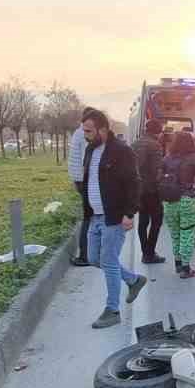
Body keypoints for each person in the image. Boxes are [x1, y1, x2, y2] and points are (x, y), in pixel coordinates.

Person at [79, 109, 148, 328]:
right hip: (94, 216)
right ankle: (133, 279)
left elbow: (134, 183)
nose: (85, 134)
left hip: (115, 217)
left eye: (89, 131)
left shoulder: (122, 151)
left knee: (108, 261)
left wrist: (129, 214)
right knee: (93, 258)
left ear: (103, 129)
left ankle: (112, 310)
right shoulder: (90, 149)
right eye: (84, 130)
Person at [159, 131, 195, 279]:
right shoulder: (194, 158)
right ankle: (186, 268)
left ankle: (178, 264)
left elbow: (158, 176)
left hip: (169, 202)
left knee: (175, 235)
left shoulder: (167, 158)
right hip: (186, 199)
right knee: (187, 232)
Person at [133, 118, 167, 265]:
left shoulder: (135, 144)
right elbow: (157, 170)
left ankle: (145, 252)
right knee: (157, 220)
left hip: (137, 188)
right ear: (158, 132)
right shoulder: (155, 146)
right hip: (151, 189)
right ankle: (150, 253)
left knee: (142, 221)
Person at [67, 107, 96, 267]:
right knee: (88, 218)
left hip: (79, 179)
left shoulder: (78, 132)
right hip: (84, 179)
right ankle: (85, 255)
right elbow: (88, 158)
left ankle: (88, 253)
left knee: (89, 217)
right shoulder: (85, 135)